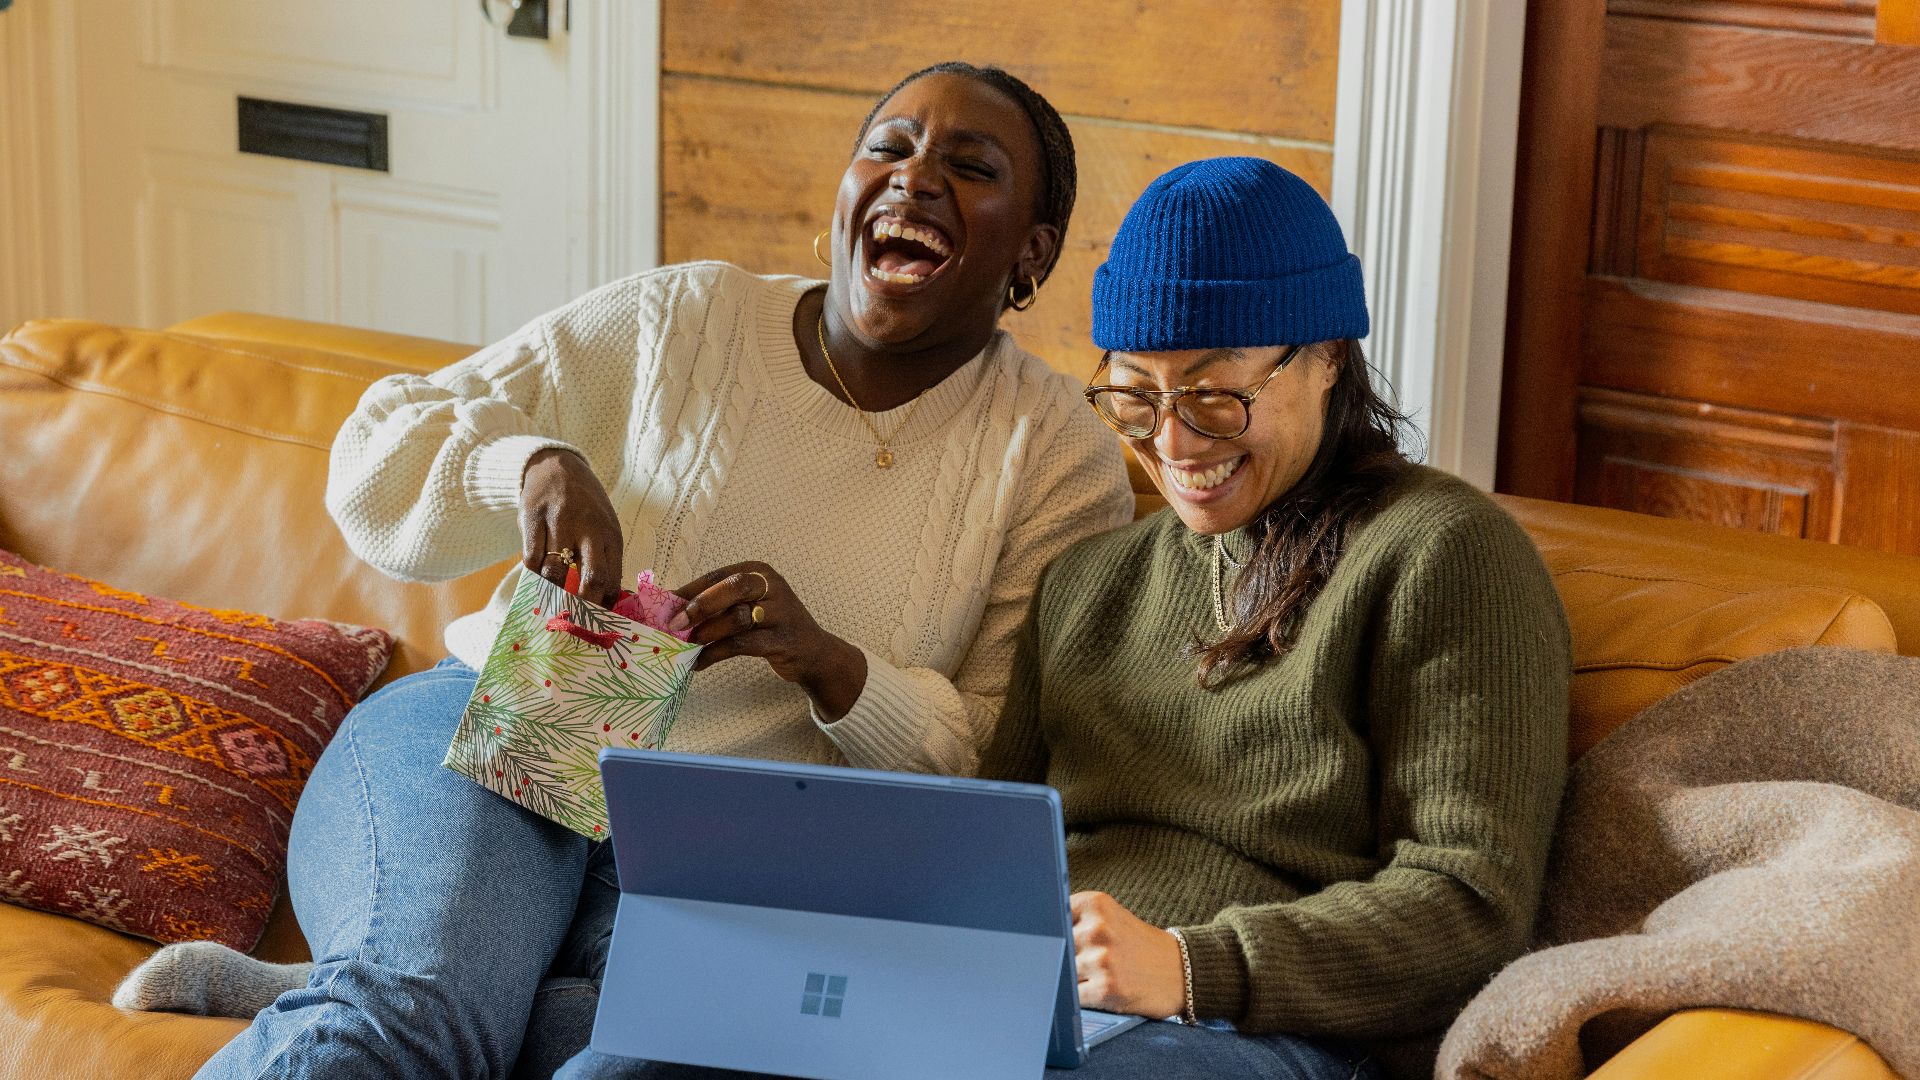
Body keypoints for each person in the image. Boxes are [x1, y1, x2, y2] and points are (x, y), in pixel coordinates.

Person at [115, 62, 1135, 1080]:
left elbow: (999, 767)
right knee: (415, 1020)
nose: (914, 179)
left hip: (733, 854)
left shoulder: (1054, 453)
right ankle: (402, 985)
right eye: (889, 147)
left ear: (1032, 253)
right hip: (518, 720)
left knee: (597, 1055)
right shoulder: (688, 320)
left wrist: (834, 669)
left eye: (969, 165)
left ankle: (389, 981)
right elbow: (375, 454)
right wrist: (525, 466)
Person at [976, 157, 1573, 1079]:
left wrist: (1190, 966)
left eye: (1216, 396)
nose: (1173, 445)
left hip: (1258, 1032)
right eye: (1136, 395)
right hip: (1041, 1006)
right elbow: (988, 850)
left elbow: (1469, 904)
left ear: (1329, 355)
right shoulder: (1083, 585)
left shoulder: (1441, 554)